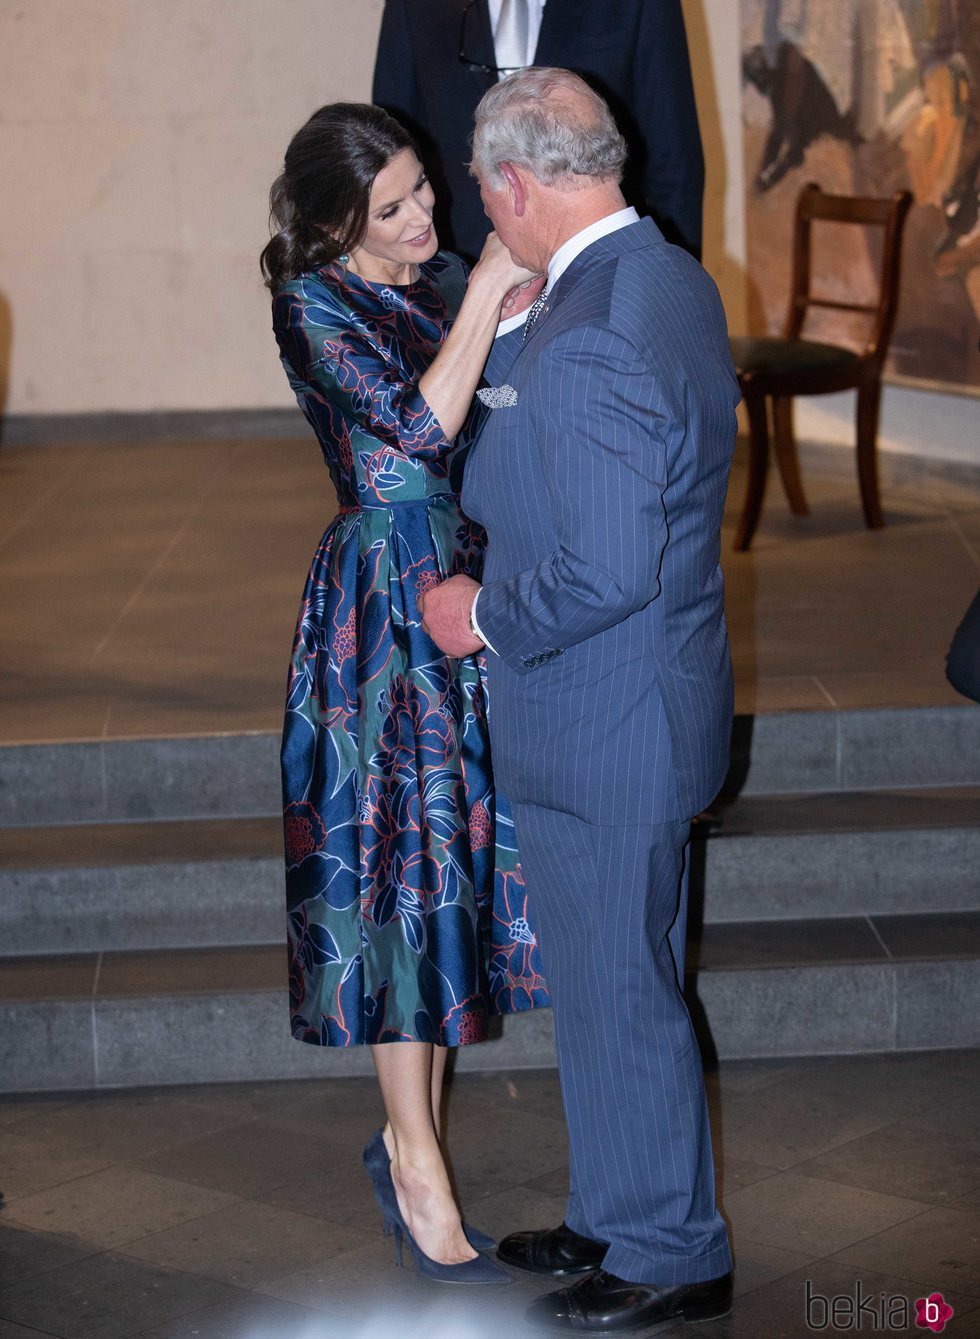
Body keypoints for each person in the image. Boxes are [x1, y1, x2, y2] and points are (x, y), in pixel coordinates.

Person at [419, 68, 736, 1331]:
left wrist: (477, 615)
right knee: (615, 978)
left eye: (484, 193)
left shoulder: (594, 323)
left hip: (602, 715)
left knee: (620, 989)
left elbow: (606, 566)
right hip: (642, 701)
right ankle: (618, 1208)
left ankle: (670, 1246)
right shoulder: (656, 274)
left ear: (510, 182)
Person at [260, 102, 549, 1286]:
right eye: (395, 206)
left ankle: (404, 1137)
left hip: (458, 587)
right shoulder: (312, 302)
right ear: (337, 223)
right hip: (380, 604)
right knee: (398, 873)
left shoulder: (422, 283)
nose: (427, 213)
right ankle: (419, 1162)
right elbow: (413, 435)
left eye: (428, 187)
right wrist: (485, 289)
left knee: (443, 875)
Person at [372, 0, 704, 262]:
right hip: (460, 276)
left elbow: (674, 162)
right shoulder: (413, 6)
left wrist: (670, 281)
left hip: (602, 274)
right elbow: (389, 156)